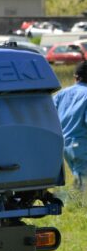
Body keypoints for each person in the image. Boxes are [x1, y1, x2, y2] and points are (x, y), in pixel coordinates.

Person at [53, 60, 87, 190]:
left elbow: (50, 115)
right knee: (82, 183)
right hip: (82, 144)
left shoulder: (61, 94)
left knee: (78, 177)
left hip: (64, 145)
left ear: (76, 77)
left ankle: (76, 204)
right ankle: (76, 204)